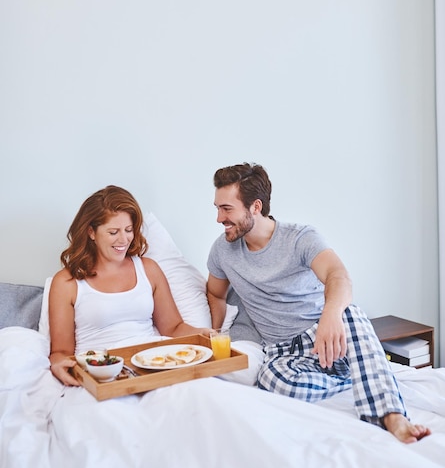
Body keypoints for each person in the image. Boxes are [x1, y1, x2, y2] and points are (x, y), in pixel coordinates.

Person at [206, 162, 431, 444]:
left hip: (324, 334)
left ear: (255, 207)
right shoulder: (223, 250)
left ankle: (391, 416)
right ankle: (352, 376)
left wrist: (330, 315)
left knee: (352, 314)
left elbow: (338, 276)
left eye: (226, 209)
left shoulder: (300, 238)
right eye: (217, 208)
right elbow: (214, 293)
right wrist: (214, 331)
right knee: (270, 382)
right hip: (284, 352)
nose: (218, 218)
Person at [49, 185, 210, 387]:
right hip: (103, 376)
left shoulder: (149, 269)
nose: (123, 240)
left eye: (128, 230)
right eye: (113, 232)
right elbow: (61, 352)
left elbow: (173, 328)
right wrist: (58, 363)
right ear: (91, 232)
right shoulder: (66, 282)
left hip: (153, 368)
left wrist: (202, 334)